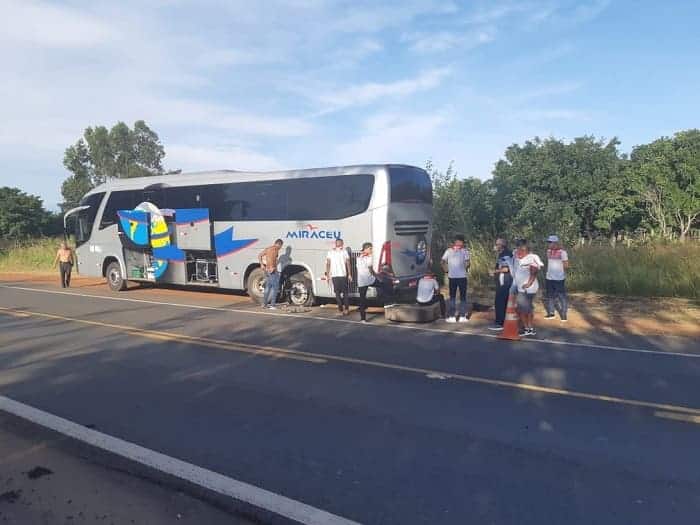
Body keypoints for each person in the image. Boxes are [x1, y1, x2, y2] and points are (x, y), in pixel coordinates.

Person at [511, 239, 544, 336]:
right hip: (522, 287)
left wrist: (528, 284)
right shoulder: (517, 255)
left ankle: (527, 328)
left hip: (528, 288)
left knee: (522, 309)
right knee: (527, 308)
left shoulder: (531, 258)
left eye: (522, 250)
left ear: (527, 250)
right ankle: (529, 328)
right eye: (518, 249)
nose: (519, 252)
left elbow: (534, 272)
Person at [440, 234, 470, 323]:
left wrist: (466, 265)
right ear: (456, 242)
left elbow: (468, 263)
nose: (461, 243)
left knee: (463, 297)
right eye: (459, 242)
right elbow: (442, 261)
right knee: (452, 297)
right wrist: (446, 270)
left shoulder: (465, 251)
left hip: (462, 277)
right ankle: (452, 316)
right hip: (452, 277)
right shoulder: (449, 251)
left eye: (462, 242)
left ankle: (462, 316)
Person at [488, 238, 513, 331]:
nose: (495, 246)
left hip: (505, 281)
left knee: (500, 302)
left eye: (497, 244)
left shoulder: (506, 254)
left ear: (502, 245)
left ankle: (499, 323)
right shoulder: (502, 254)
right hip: (503, 281)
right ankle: (503, 321)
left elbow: (506, 269)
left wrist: (494, 271)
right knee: (502, 302)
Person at [544, 235, 569, 322]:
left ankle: (564, 314)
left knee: (561, 296)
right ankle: (551, 313)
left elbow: (566, 265)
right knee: (550, 296)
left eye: (550, 242)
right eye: (548, 242)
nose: (548, 244)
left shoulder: (563, 252)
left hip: (559, 278)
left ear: (555, 242)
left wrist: (560, 273)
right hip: (549, 277)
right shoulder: (548, 251)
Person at [325, 238, 353, 316]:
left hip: (341, 275)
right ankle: (342, 309)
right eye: (338, 242)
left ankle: (344, 309)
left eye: (340, 242)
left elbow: (348, 263)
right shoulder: (331, 252)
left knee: (342, 293)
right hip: (336, 275)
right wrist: (327, 275)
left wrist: (349, 274)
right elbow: (328, 263)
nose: (339, 243)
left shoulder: (343, 252)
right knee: (340, 293)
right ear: (336, 243)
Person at [258, 239, 283, 309]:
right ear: (279, 244)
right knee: (275, 287)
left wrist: (262, 265)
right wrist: (269, 267)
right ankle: (272, 305)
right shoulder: (273, 250)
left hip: (270, 270)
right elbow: (269, 259)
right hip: (271, 270)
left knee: (268, 287)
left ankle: (264, 304)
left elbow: (260, 255)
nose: (280, 248)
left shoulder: (270, 249)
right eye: (280, 246)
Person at [356, 242, 377, 322]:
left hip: (362, 281)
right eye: (371, 249)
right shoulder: (368, 257)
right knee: (384, 284)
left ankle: (363, 319)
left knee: (362, 299)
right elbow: (371, 269)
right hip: (369, 279)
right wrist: (377, 276)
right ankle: (391, 300)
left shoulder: (359, 257)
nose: (372, 250)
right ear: (367, 249)